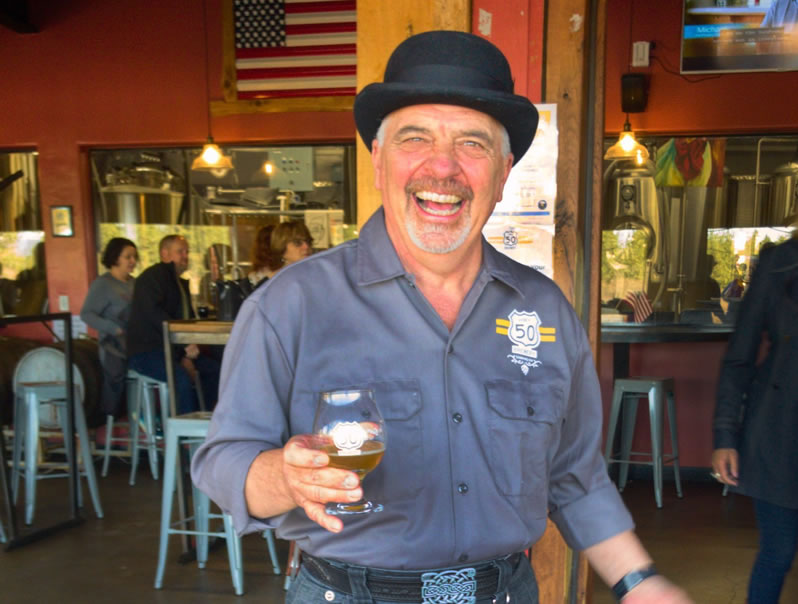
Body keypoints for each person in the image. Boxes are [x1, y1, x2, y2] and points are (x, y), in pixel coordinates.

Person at [192, 31, 691, 603]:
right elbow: (223, 462)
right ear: (379, 160)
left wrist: (639, 582)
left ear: (503, 173)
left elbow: (574, 478)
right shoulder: (291, 304)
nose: (443, 166)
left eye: (473, 145)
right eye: (415, 137)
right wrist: (285, 476)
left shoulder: (545, 311)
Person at [712, 234, 798, 604]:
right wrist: (725, 436)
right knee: (777, 554)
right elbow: (739, 357)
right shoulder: (781, 262)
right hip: (780, 434)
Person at [127, 234, 220, 414]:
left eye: (187, 252)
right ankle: (183, 435)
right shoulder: (152, 277)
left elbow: (186, 319)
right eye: (180, 252)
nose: (185, 256)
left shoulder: (178, 282)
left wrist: (188, 349)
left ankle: (206, 425)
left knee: (214, 370)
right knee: (181, 378)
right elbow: (155, 315)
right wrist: (185, 347)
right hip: (147, 352)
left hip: (173, 350)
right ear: (165, 254)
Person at [80, 237, 138, 417]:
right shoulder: (103, 284)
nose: (132, 261)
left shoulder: (134, 283)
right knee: (115, 382)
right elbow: (87, 314)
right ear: (115, 258)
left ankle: (136, 422)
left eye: (134, 257)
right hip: (112, 344)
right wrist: (114, 329)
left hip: (135, 342)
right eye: (127, 257)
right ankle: (110, 425)